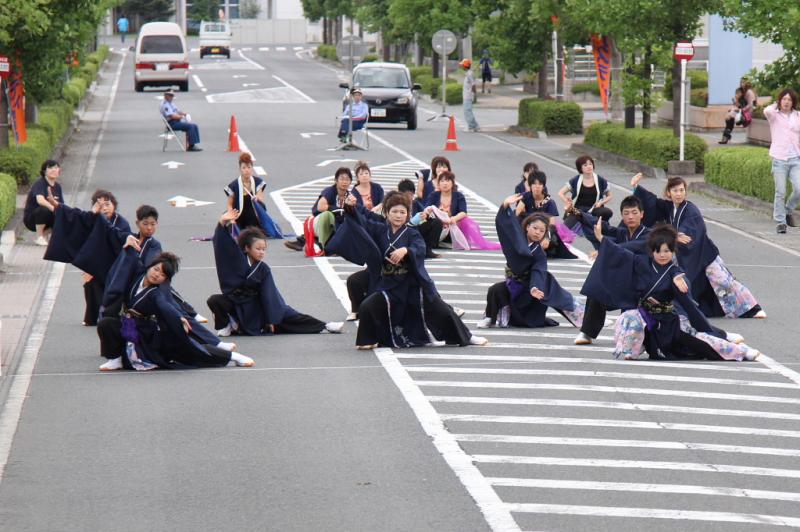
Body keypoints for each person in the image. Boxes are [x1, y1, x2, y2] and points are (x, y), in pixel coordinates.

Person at [327, 191, 486, 348]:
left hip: (412, 285)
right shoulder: (380, 229)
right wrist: (350, 207)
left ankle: (467, 336)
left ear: (408, 214)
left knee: (442, 310)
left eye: (402, 212)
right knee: (367, 306)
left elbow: (420, 248)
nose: (398, 215)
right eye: (394, 211)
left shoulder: (412, 233)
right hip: (389, 287)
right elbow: (361, 221)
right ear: (387, 214)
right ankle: (369, 340)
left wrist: (406, 251)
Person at [592, 222, 761, 362]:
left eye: (667, 251)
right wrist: (601, 239)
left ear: (673, 251)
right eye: (659, 251)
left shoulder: (674, 273)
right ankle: (635, 348)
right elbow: (621, 254)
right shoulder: (641, 263)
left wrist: (680, 278)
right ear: (652, 251)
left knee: (703, 345)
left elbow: (686, 298)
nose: (663, 255)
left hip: (669, 323)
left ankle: (740, 351)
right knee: (628, 318)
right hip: (649, 321)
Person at [97, 247, 254, 371]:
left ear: (165, 280)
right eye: (156, 269)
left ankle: (233, 356)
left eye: (163, 275)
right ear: (150, 266)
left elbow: (165, 306)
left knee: (191, 350)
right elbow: (127, 261)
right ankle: (115, 358)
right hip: (129, 326)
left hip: (148, 334)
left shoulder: (155, 293)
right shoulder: (137, 275)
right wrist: (127, 245)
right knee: (106, 323)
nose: (157, 275)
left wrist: (178, 317)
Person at [632, 173, 765, 319]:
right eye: (675, 190)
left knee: (723, 281)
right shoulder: (670, 207)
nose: (678, 194)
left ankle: (752, 308)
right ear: (668, 192)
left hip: (704, 254)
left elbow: (691, 230)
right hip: (687, 257)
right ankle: (706, 311)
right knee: (691, 285)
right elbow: (653, 203)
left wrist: (678, 234)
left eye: (681, 190)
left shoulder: (691, 210)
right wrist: (637, 188)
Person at [208, 209, 343, 336]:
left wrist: (270, 319)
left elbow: (269, 295)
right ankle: (226, 325)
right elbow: (223, 247)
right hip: (237, 305)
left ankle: (325, 326)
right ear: (246, 248)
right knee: (215, 300)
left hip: (258, 308)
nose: (262, 252)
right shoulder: (237, 260)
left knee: (290, 317)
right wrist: (222, 222)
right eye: (258, 249)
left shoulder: (262, 268)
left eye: (264, 249)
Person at [477, 199, 584, 329]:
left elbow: (538, 271)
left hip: (529, 287)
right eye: (535, 228)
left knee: (555, 295)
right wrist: (505, 205)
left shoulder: (539, 253)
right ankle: (490, 318)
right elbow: (507, 228)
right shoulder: (518, 240)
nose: (537, 232)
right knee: (495, 290)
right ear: (527, 227)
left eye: (541, 231)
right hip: (513, 283)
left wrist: (534, 288)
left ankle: (584, 318)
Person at [45, 189, 131, 326]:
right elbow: (74, 214)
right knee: (90, 281)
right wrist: (56, 204)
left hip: (116, 263)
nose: (105, 208)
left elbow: (121, 244)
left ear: (114, 205)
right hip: (96, 263)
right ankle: (93, 316)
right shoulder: (92, 217)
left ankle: (113, 314)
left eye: (108, 204)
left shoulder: (122, 223)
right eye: (101, 205)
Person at [573, 195, 651, 345]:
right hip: (622, 282)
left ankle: (630, 333)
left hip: (640, 286)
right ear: (622, 215)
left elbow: (632, 247)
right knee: (597, 288)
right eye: (626, 213)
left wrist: (605, 245)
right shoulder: (622, 233)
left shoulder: (649, 235)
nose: (631, 217)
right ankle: (587, 332)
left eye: (634, 213)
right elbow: (601, 225)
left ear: (642, 214)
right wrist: (576, 212)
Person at [424, 171, 500, 250]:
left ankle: (450, 241)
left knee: (464, 221)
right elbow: (427, 208)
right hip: (438, 225)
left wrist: (454, 219)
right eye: (442, 181)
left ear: (452, 183)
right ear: (438, 184)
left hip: (453, 224)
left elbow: (463, 212)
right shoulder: (434, 195)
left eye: (447, 180)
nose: (445, 183)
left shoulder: (458, 196)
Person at [284, 167, 353, 252]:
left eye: (347, 179)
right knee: (329, 215)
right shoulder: (330, 191)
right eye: (342, 179)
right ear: (336, 180)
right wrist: (337, 209)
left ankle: (305, 241)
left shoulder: (350, 196)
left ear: (350, 182)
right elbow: (320, 207)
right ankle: (317, 243)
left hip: (333, 225)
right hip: (318, 220)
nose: (344, 182)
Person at [515, 171, 577, 259]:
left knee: (551, 240)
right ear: (530, 186)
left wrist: (546, 237)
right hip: (528, 228)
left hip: (543, 230)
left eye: (540, 184)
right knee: (516, 220)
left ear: (543, 186)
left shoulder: (549, 202)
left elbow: (552, 224)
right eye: (534, 184)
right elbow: (517, 213)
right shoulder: (526, 196)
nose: (537, 187)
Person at [763, 88, 800, 234]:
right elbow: (766, 111)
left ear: (793, 102)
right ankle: (780, 222)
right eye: (784, 99)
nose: (786, 102)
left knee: (799, 188)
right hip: (779, 159)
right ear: (780, 101)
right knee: (781, 192)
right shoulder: (774, 115)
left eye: (789, 99)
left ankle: (788, 210)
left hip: (796, 159)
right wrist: (775, 104)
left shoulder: (797, 116)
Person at [224, 152, 283, 238]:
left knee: (254, 233)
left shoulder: (258, 182)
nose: (246, 170)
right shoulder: (234, 185)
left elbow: (261, 202)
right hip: (238, 215)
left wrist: (257, 199)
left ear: (252, 168)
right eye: (244, 167)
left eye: (249, 167)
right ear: (240, 169)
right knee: (229, 225)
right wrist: (231, 215)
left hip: (253, 216)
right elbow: (229, 204)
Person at [559, 155, 614, 229]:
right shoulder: (575, 180)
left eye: (590, 164)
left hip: (594, 209)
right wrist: (568, 202)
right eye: (585, 165)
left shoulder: (600, 180)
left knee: (607, 212)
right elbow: (561, 193)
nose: (589, 167)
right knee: (565, 229)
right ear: (580, 168)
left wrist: (601, 203)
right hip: (578, 210)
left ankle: (600, 228)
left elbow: (610, 195)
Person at [399, 178, 443, 259]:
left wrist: (426, 215)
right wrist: (411, 222)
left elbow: (425, 213)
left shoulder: (415, 203)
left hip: (416, 230)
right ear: (400, 194)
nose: (410, 197)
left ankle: (427, 250)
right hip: (403, 232)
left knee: (437, 222)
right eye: (408, 194)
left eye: (412, 194)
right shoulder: (396, 204)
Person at [23, 159, 63, 246]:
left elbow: (61, 205)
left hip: (48, 217)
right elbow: (40, 200)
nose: (53, 170)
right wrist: (53, 209)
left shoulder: (58, 187)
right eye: (50, 168)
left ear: (59, 170)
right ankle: (39, 237)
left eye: (56, 167)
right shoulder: (39, 183)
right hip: (32, 219)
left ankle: (50, 236)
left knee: (63, 214)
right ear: (44, 171)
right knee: (44, 209)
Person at [719, 77, 757, 144]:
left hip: (748, 113)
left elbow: (751, 105)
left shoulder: (749, 92)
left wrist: (741, 110)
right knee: (729, 117)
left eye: (744, 82)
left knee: (729, 117)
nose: (742, 84)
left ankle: (726, 136)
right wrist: (735, 101)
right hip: (742, 112)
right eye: (741, 82)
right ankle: (726, 136)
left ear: (748, 83)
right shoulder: (740, 91)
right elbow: (738, 105)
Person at [459, 59, 479, 132]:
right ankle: (475, 126)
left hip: (468, 96)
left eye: (462, 65)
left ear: (465, 66)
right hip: (466, 95)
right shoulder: (468, 73)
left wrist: (474, 94)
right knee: (467, 111)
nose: (461, 66)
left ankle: (472, 127)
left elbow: (473, 85)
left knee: (467, 111)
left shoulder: (469, 74)